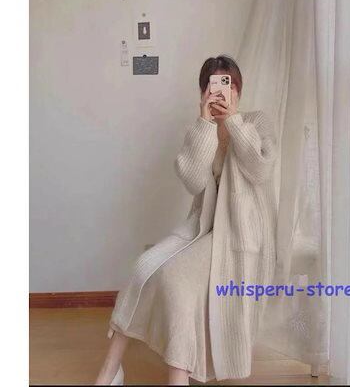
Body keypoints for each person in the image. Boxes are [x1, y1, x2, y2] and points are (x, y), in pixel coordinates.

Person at [95, 55, 278, 385]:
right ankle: (110, 371)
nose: (221, 92)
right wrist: (206, 125)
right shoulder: (201, 128)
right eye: (213, 84)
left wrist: (234, 122)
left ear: (238, 89)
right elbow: (193, 181)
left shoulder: (256, 122)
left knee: (176, 278)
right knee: (144, 267)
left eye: (228, 84)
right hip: (203, 228)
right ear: (203, 91)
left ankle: (177, 377)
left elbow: (260, 169)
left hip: (240, 236)